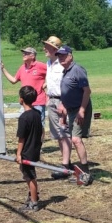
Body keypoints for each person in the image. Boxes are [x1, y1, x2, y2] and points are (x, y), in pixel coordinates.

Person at [55, 45, 92, 180]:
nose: (61, 58)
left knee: (76, 139)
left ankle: (85, 172)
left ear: (70, 56)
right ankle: (74, 169)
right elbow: (68, 91)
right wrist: (63, 105)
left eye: (63, 55)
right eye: (59, 56)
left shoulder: (77, 70)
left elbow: (87, 91)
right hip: (70, 110)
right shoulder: (65, 71)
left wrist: (82, 110)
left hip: (79, 109)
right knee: (72, 138)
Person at [43, 35, 73, 179]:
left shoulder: (62, 64)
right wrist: (48, 96)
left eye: (47, 47)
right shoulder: (49, 63)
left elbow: (67, 84)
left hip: (62, 101)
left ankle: (65, 166)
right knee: (58, 134)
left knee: (64, 133)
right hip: (52, 100)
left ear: (55, 49)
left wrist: (64, 102)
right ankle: (66, 162)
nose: (44, 49)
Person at [15, 85, 44, 212]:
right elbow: (42, 131)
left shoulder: (24, 118)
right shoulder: (37, 113)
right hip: (34, 149)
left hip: (27, 152)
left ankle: (34, 202)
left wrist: (18, 154)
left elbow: (21, 139)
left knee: (30, 177)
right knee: (26, 172)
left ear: (21, 100)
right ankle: (32, 194)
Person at [1, 47, 47, 122]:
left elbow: (53, 73)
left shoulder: (40, 66)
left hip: (38, 102)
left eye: (26, 53)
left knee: (39, 125)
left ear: (33, 56)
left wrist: (46, 83)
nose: (23, 54)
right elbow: (13, 80)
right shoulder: (22, 68)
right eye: (23, 53)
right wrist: (3, 69)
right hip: (25, 103)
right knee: (24, 123)